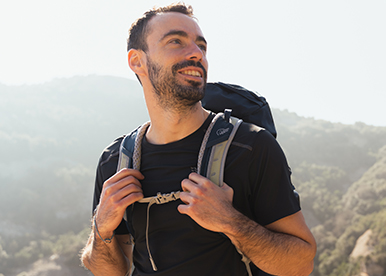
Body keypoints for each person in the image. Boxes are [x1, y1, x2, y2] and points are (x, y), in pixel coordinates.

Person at [80, 3, 316, 275]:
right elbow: (109, 271)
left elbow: (300, 263)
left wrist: (231, 221)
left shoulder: (251, 147)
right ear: (137, 61)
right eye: (176, 41)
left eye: (201, 46)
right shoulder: (116, 161)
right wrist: (102, 227)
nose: (196, 54)